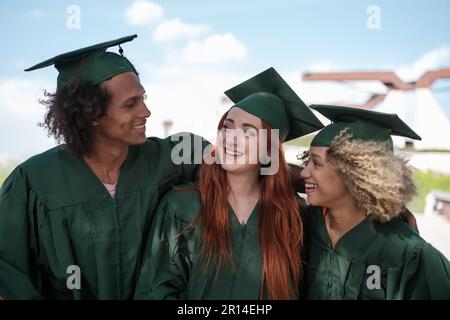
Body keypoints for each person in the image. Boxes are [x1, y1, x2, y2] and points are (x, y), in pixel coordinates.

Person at [0, 35, 207, 299]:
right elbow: (7, 276)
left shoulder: (169, 157)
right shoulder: (33, 183)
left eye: (143, 98)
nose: (146, 112)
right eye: (131, 104)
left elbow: (236, 168)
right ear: (91, 113)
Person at [134, 67, 324, 300]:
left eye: (249, 132)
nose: (231, 139)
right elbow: (156, 291)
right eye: (228, 126)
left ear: (269, 150)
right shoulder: (181, 207)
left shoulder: (293, 215)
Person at [300, 105, 450, 299]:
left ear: (354, 174)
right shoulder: (304, 224)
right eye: (307, 162)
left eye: (316, 163)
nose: (304, 172)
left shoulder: (408, 252)